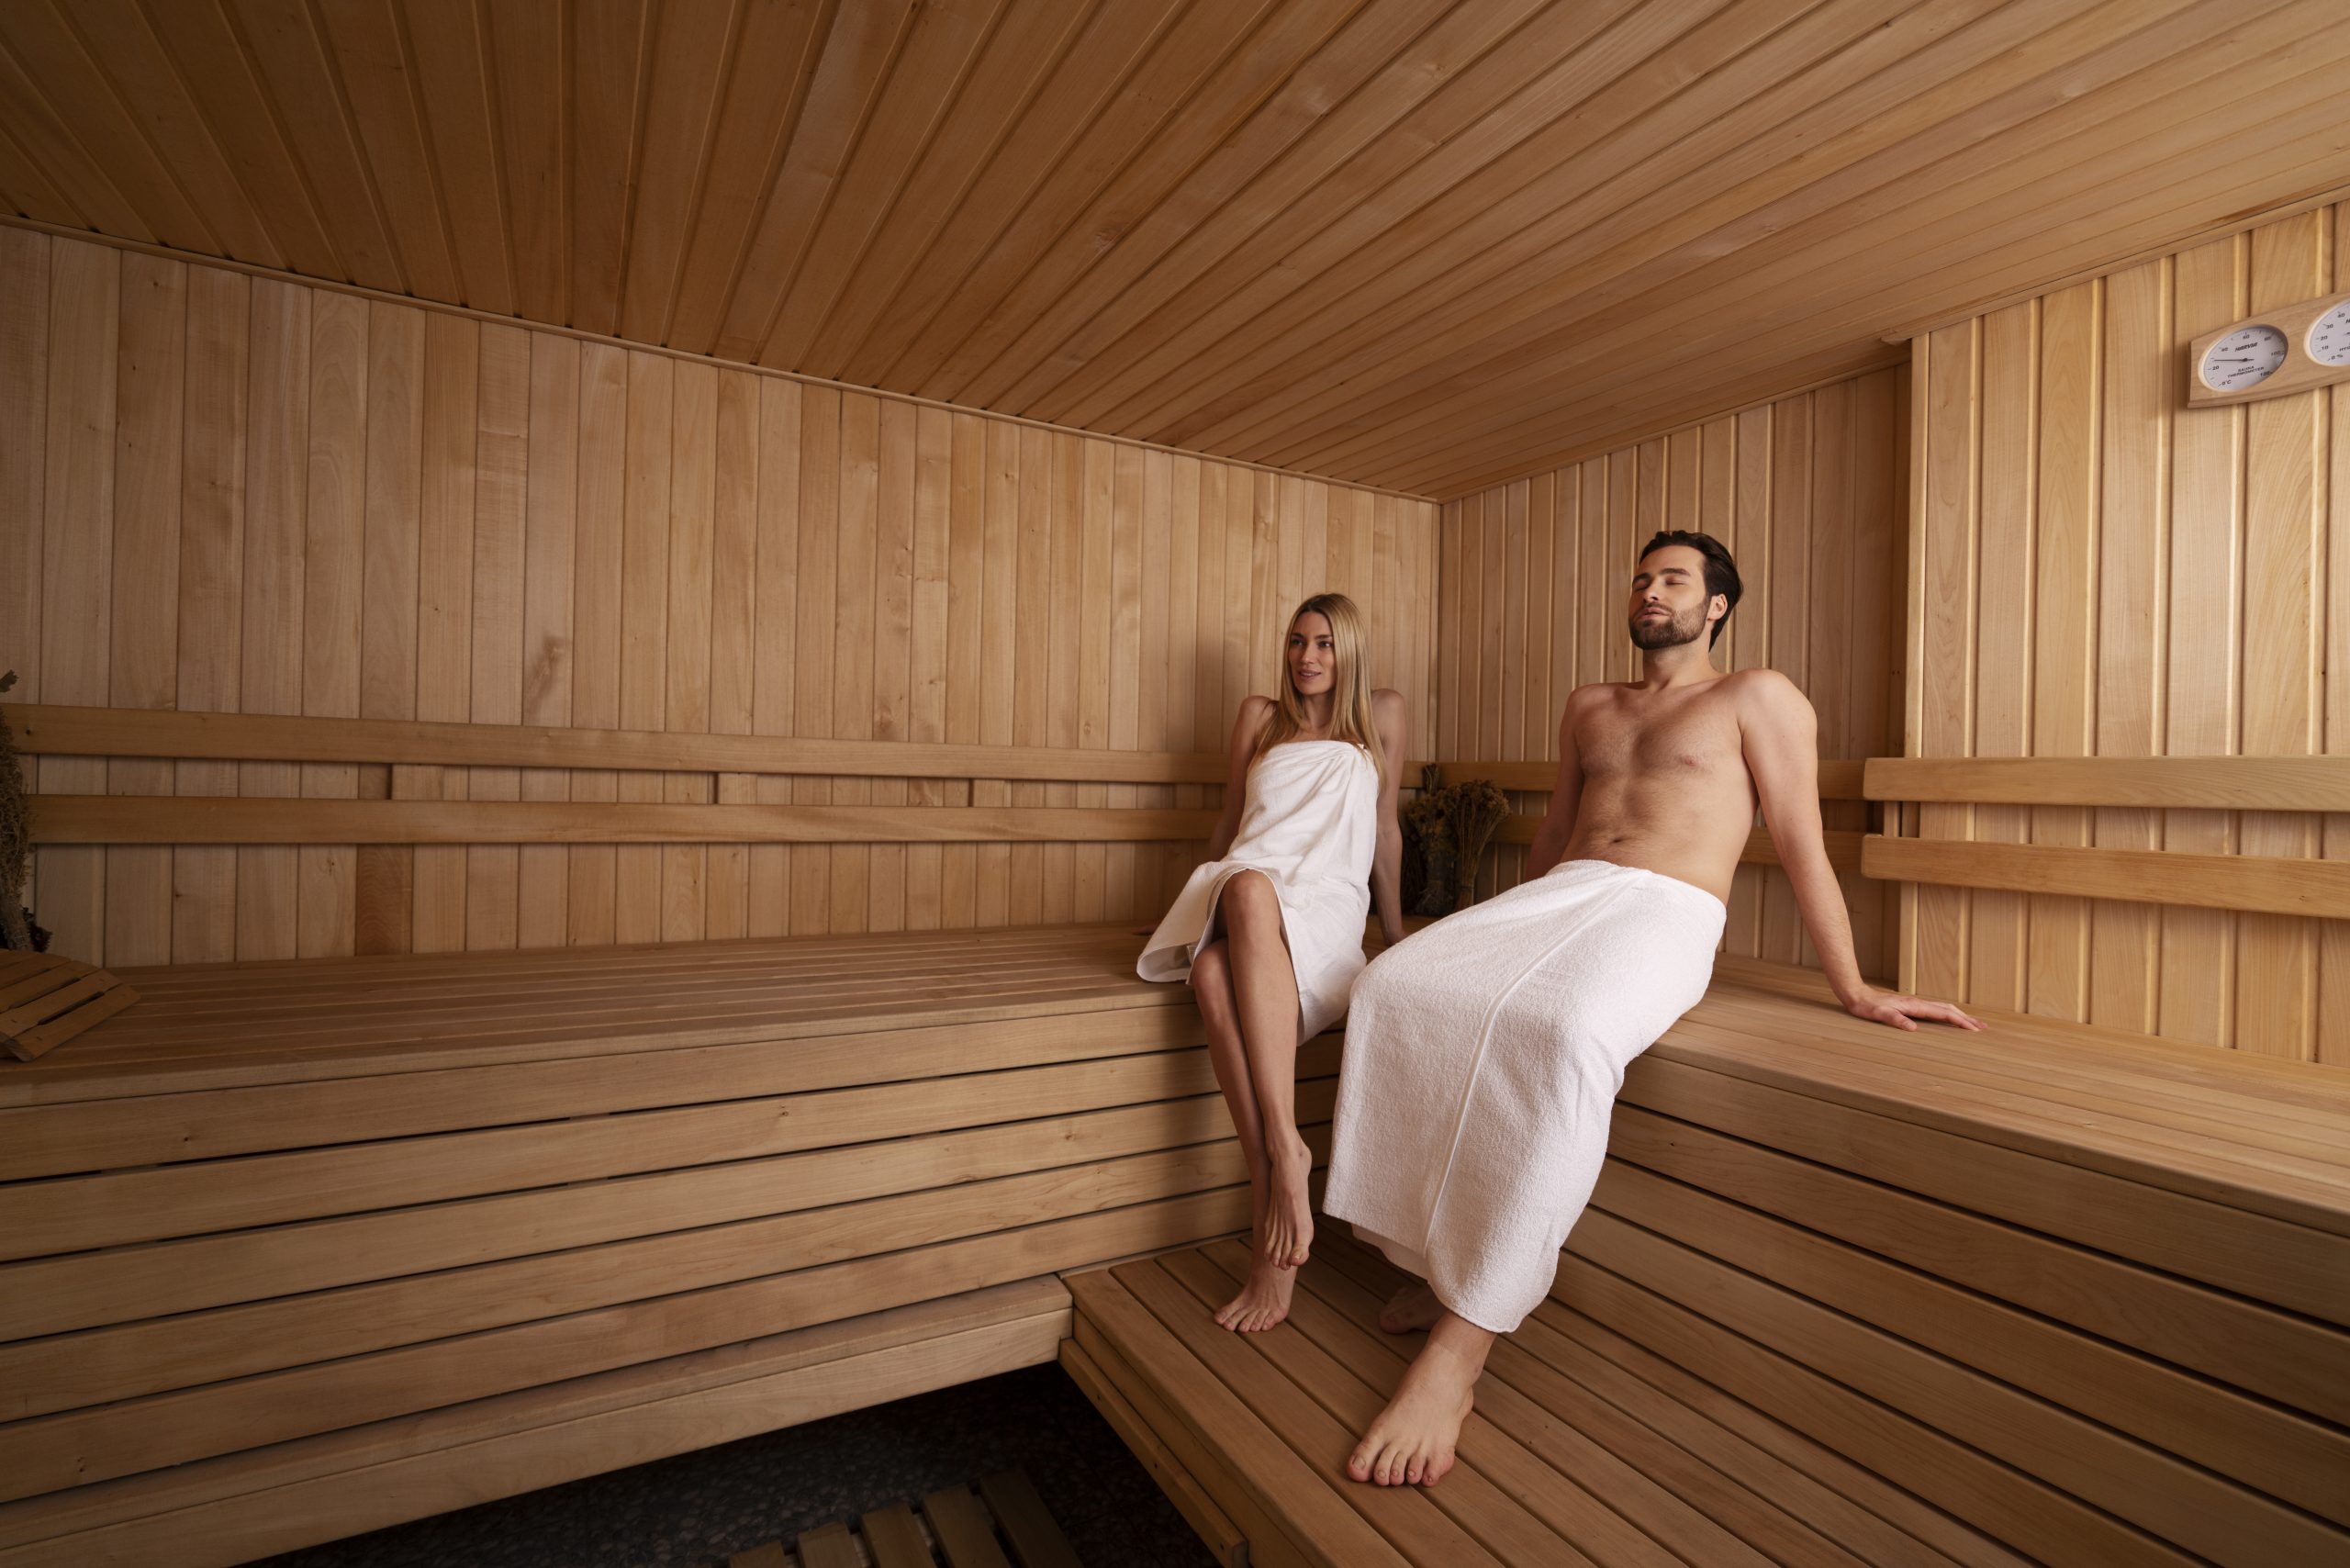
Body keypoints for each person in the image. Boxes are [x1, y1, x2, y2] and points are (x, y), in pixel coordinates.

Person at [1322, 531, 1980, 1488]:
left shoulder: (1757, 696)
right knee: (1394, 985)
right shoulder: (1590, 705)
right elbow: (1552, 835)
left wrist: (1855, 984)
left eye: (1673, 578)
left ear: (1715, 605)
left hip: (1664, 909)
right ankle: (1440, 1258)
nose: (1650, 590)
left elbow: (1801, 841)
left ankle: (1461, 1349)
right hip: (1560, 895)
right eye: (1641, 577)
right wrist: (1482, 936)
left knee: (1567, 1033)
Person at [1139, 593, 1408, 1332]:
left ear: (1346, 650)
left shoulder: (1382, 713)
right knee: (1249, 885)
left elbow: (1384, 830)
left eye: (1322, 643)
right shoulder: (1260, 716)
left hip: (1324, 903)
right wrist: (1198, 899)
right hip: (1249, 881)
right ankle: (1286, 1155)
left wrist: (1392, 934)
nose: (1307, 657)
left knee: (1210, 976)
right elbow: (1234, 820)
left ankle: (1267, 1188)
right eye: (1296, 642)